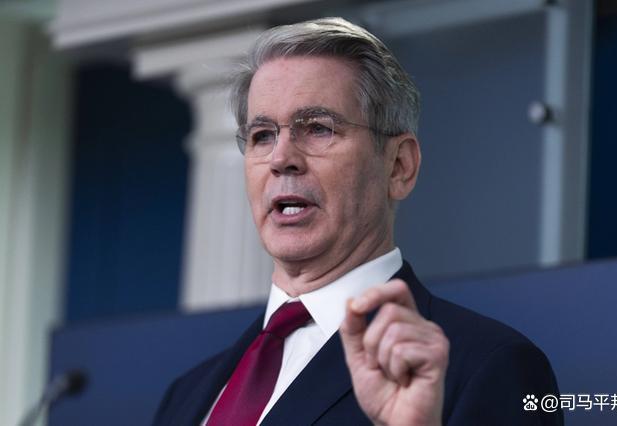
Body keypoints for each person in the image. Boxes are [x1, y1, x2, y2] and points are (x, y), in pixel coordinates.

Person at [153, 17, 562, 425]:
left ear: (399, 166)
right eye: (262, 135)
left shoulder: (486, 366)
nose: (281, 158)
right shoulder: (185, 396)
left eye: (318, 128)